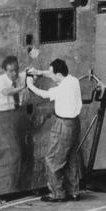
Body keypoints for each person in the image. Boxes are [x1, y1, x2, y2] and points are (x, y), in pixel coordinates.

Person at [26, 59, 83, 202]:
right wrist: (39, 72)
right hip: (74, 123)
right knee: (71, 158)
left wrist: (30, 84)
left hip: (63, 124)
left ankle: (58, 193)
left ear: (58, 74)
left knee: (52, 159)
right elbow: (53, 74)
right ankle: (74, 191)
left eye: (51, 73)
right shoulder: (73, 80)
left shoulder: (61, 89)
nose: (49, 75)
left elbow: (44, 94)